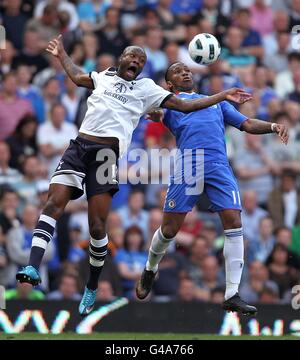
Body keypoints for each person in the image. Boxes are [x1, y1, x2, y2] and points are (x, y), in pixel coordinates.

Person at [16, 34, 250, 316]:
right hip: (79, 146)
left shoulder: (147, 88)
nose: (137, 62)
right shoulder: (104, 77)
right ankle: (32, 265)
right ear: (121, 58)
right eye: (133, 57)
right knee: (53, 203)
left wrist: (222, 95)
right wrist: (62, 54)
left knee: (98, 227)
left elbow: (185, 106)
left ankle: (91, 285)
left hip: (107, 155)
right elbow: (78, 77)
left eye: (141, 60)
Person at [136, 62, 289, 316]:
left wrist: (273, 126)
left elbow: (247, 123)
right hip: (189, 164)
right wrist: (154, 113)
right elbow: (156, 113)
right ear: (169, 84)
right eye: (177, 71)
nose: (185, 72)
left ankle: (231, 294)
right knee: (170, 229)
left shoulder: (216, 102)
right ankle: (151, 267)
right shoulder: (171, 101)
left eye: (187, 69)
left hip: (219, 163)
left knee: (233, 220)